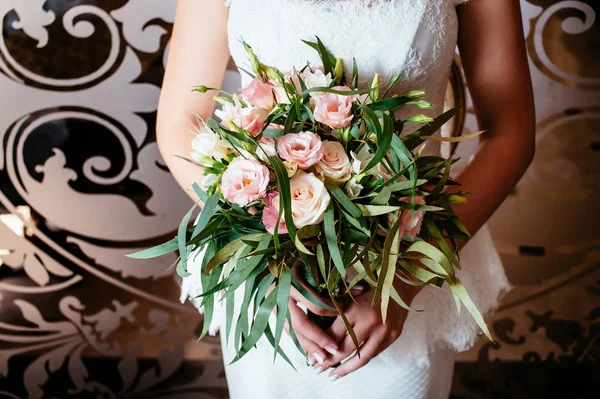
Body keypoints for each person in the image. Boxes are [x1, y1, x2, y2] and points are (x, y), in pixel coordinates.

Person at [158, 0, 536, 398]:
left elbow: (510, 134)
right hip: (270, 270)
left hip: (410, 259)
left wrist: (406, 279)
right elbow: (180, 121)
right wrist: (265, 266)